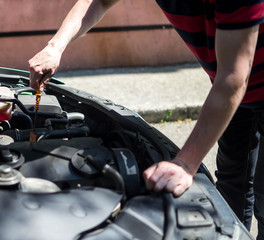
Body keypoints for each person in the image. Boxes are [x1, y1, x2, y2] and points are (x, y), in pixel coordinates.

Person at [28, 0, 264, 238]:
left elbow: (233, 78)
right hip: (234, 94)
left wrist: (184, 163)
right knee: (233, 185)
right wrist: (55, 47)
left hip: (236, 83)